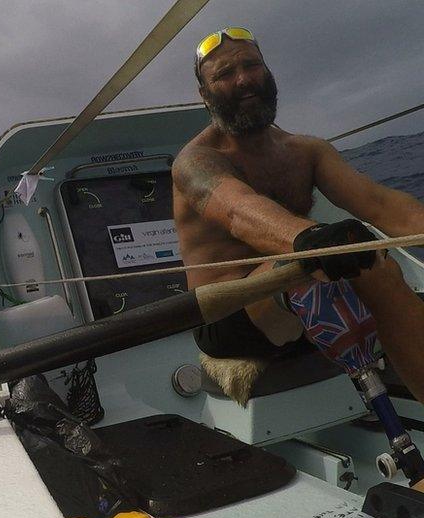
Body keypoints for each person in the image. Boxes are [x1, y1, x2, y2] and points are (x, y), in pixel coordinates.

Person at [171, 27, 424, 402]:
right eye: (224, 75)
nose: (243, 79)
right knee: (355, 267)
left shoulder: (307, 150)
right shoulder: (195, 161)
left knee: (376, 264)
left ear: (268, 72)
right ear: (205, 95)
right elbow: (240, 210)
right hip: (228, 315)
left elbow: (383, 206)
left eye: (251, 65)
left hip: (300, 286)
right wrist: (308, 240)